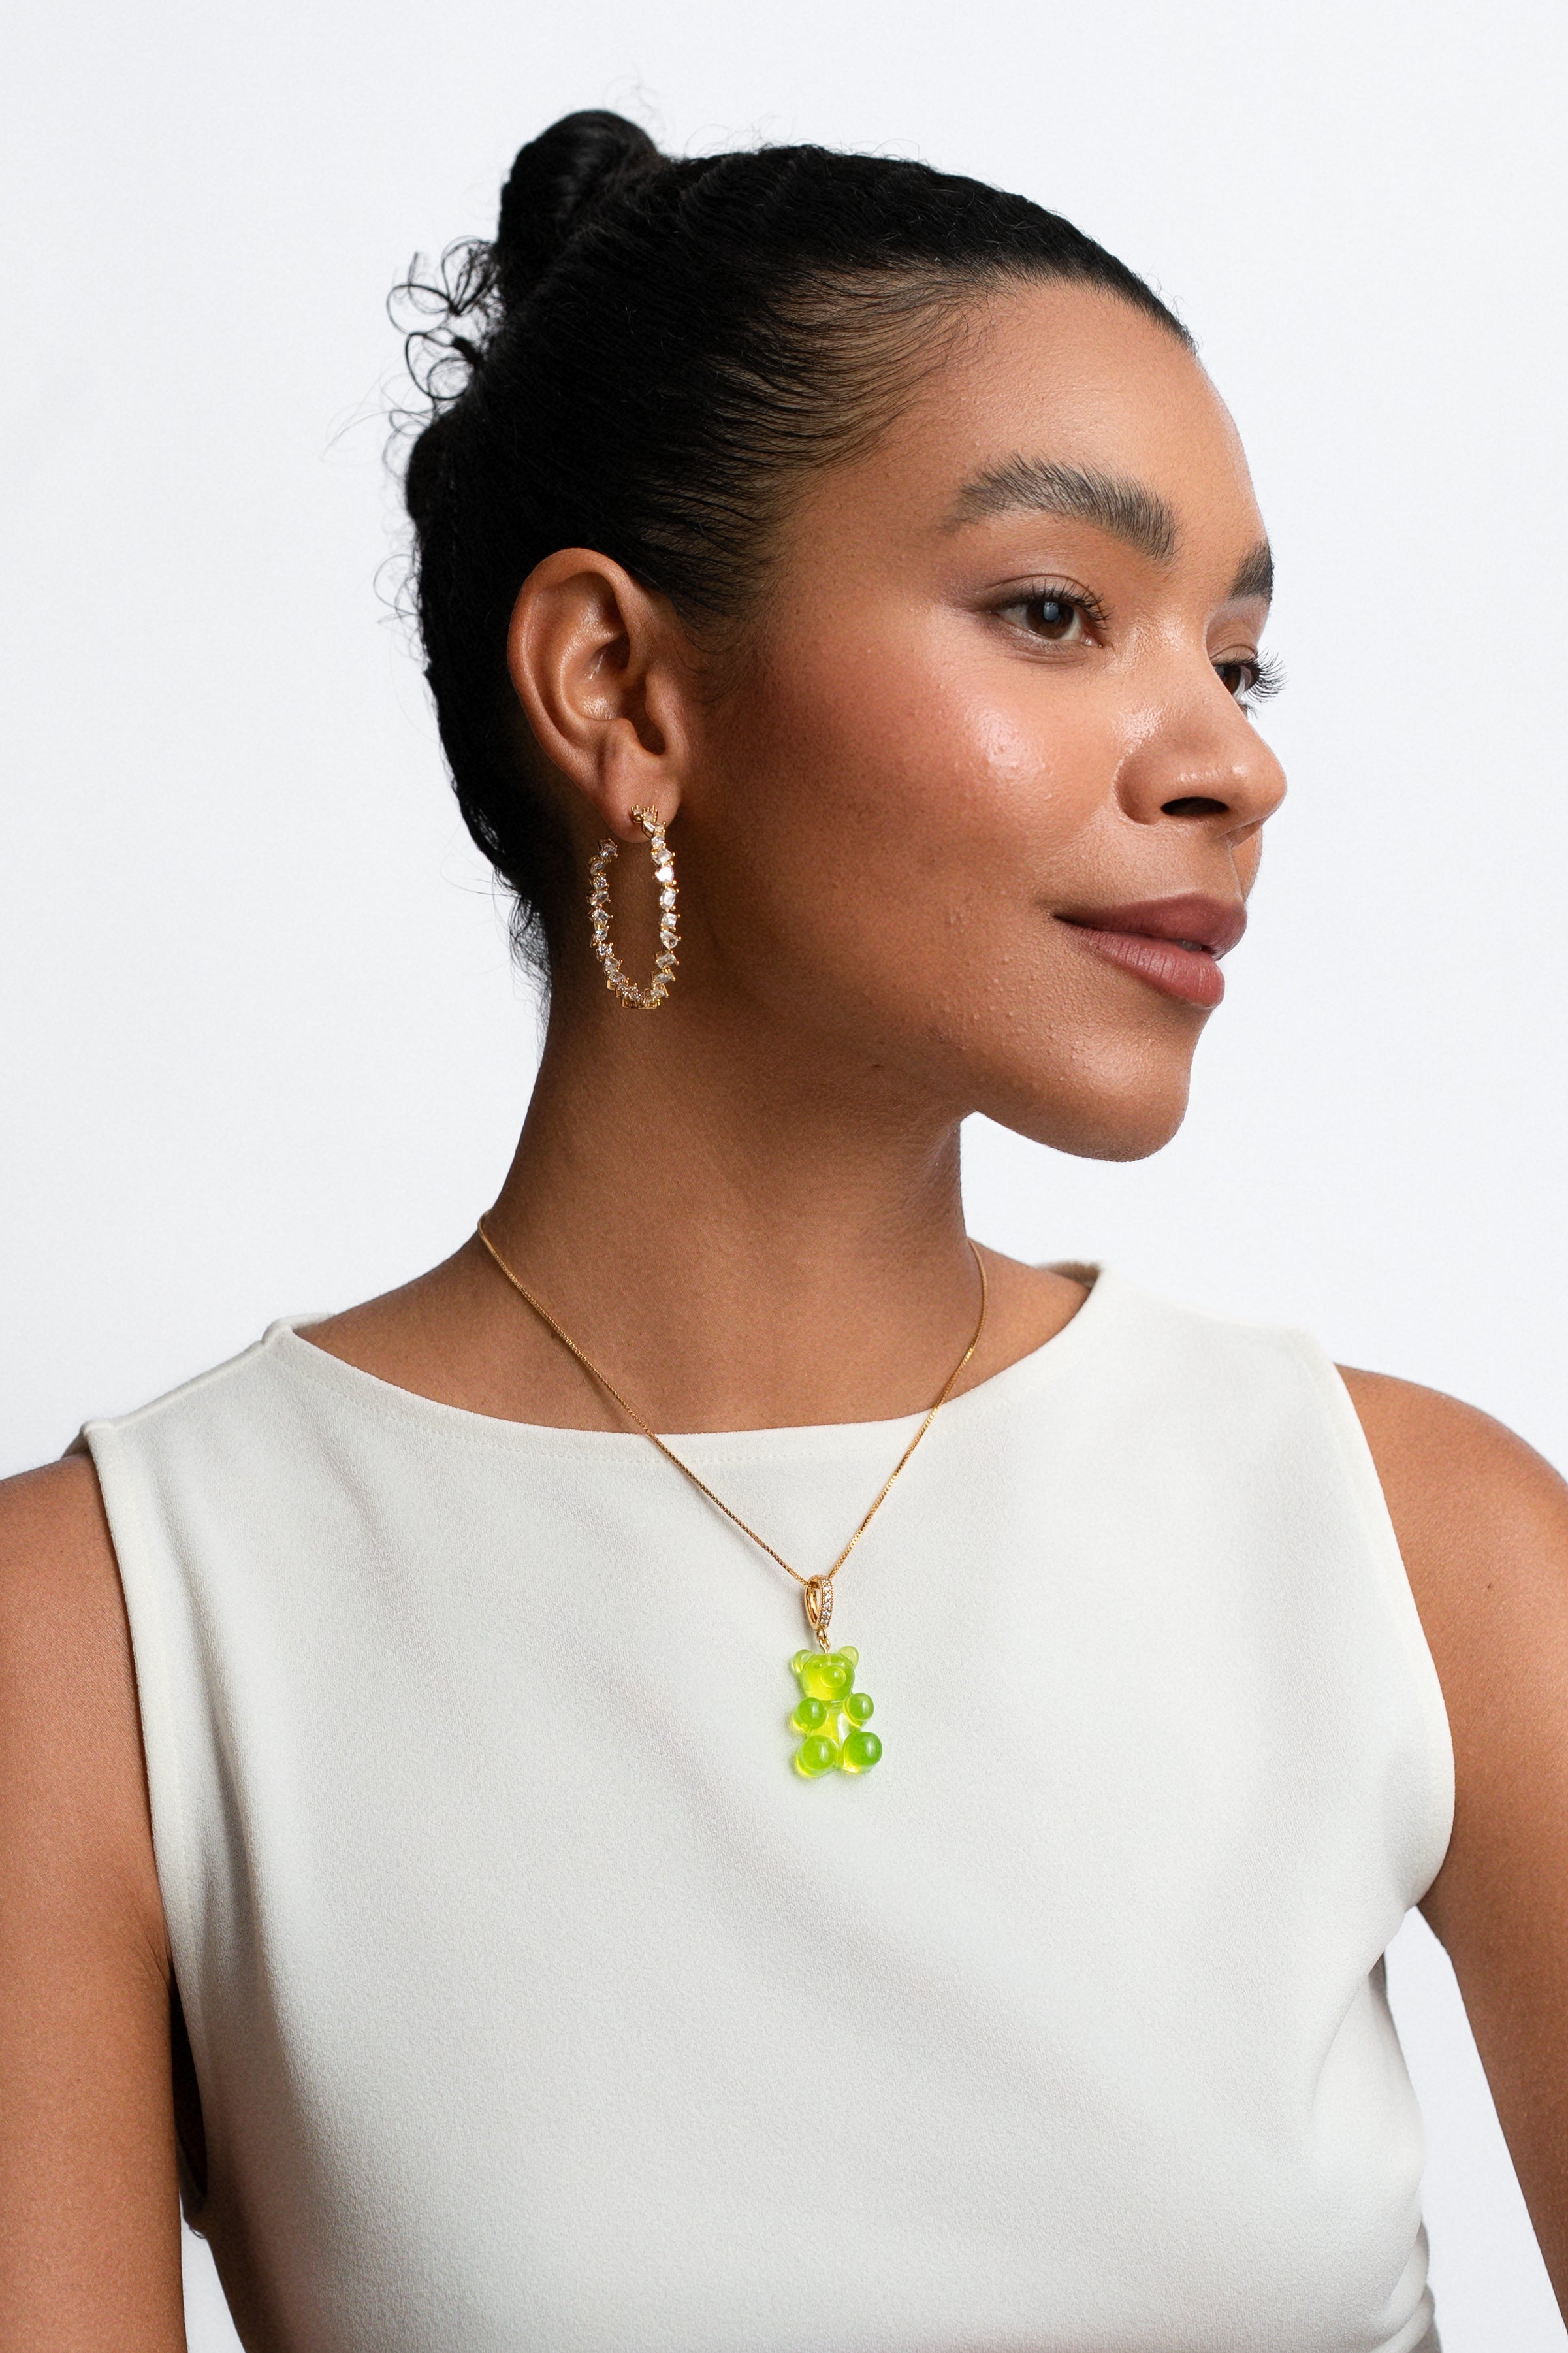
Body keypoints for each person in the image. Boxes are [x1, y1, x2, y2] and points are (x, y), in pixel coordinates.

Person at [1, 108, 1563, 2353]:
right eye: (1055, 612)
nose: (1228, 760)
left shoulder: (1424, 1553)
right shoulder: (104, 1633)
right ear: (618, 688)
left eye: (1236, 657)